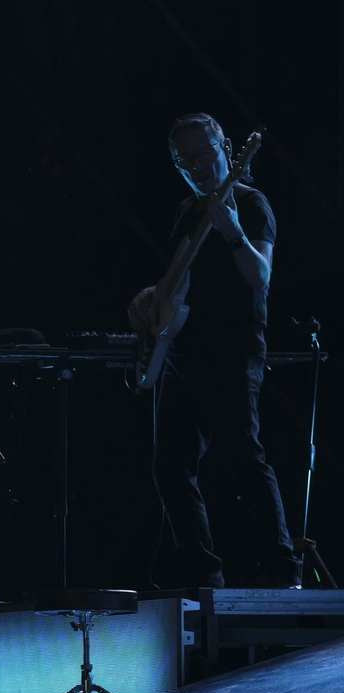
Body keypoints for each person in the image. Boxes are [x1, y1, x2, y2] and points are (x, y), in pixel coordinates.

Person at [129, 113, 300, 589]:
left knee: (243, 457)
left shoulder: (250, 203)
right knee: (170, 466)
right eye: (187, 159)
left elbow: (260, 277)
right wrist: (152, 296)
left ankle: (284, 568)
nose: (199, 165)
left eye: (205, 152)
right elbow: (184, 278)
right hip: (182, 351)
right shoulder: (187, 209)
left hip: (231, 350)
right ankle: (202, 573)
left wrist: (232, 231)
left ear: (226, 146)